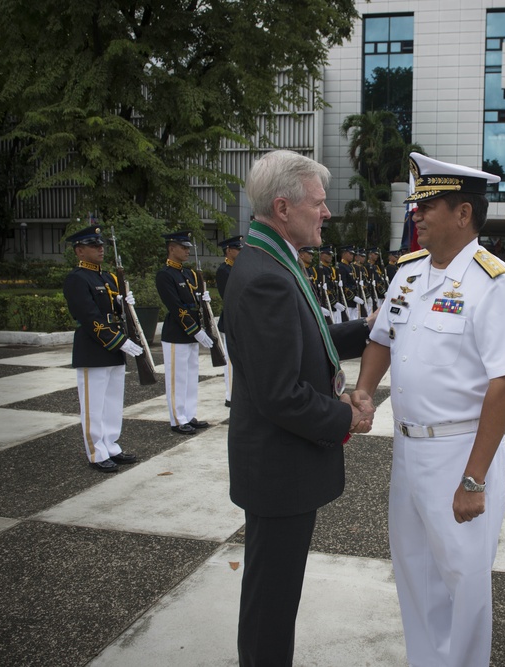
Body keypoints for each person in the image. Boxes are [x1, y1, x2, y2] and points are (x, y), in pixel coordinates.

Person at [352, 152, 505, 667]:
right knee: (414, 570)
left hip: (459, 449)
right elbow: (381, 339)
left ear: (463, 214)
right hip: (407, 446)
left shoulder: (492, 283)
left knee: (464, 577)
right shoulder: (407, 274)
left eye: (427, 206)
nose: (416, 216)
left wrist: (474, 480)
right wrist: (364, 391)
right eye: (415, 207)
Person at [223, 150, 374, 666]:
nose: (327, 212)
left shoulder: (270, 260)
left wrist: (367, 330)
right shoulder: (268, 275)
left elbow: (304, 338)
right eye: (319, 202)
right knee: (272, 602)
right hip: (278, 470)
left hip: (276, 468)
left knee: (274, 596)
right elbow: (280, 393)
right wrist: (346, 416)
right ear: (283, 208)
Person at [63, 224, 143, 472]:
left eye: (101, 245)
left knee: (112, 402)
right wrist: (120, 341)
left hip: (113, 347)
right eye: (93, 245)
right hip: (94, 347)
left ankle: (111, 444)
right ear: (79, 251)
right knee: (94, 404)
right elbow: (89, 318)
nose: (100, 248)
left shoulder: (106, 277)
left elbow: (113, 311)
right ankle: (96, 451)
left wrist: (123, 303)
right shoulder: (77, 279)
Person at [156, 230, 214, 435]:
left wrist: (203, 300)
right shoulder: (165, 274)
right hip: (176, 333)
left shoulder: (188, 274)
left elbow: (194, 303)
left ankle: (189, 414)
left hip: (191, 332)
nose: (187, 250)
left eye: (188, 247)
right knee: (177, 378)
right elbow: (176, 306)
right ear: (171, 248)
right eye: (183, 247)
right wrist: (195, 330)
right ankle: (177, 419)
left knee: (190, 377)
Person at [216, 235, 243, 409]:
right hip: (231, 320)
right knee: (231, 361)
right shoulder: (223, 271)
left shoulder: (238, 269)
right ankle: (231, 395)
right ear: (228, 251)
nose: (240, 252)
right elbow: (229, 297)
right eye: (237, 249)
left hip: (241, 320)